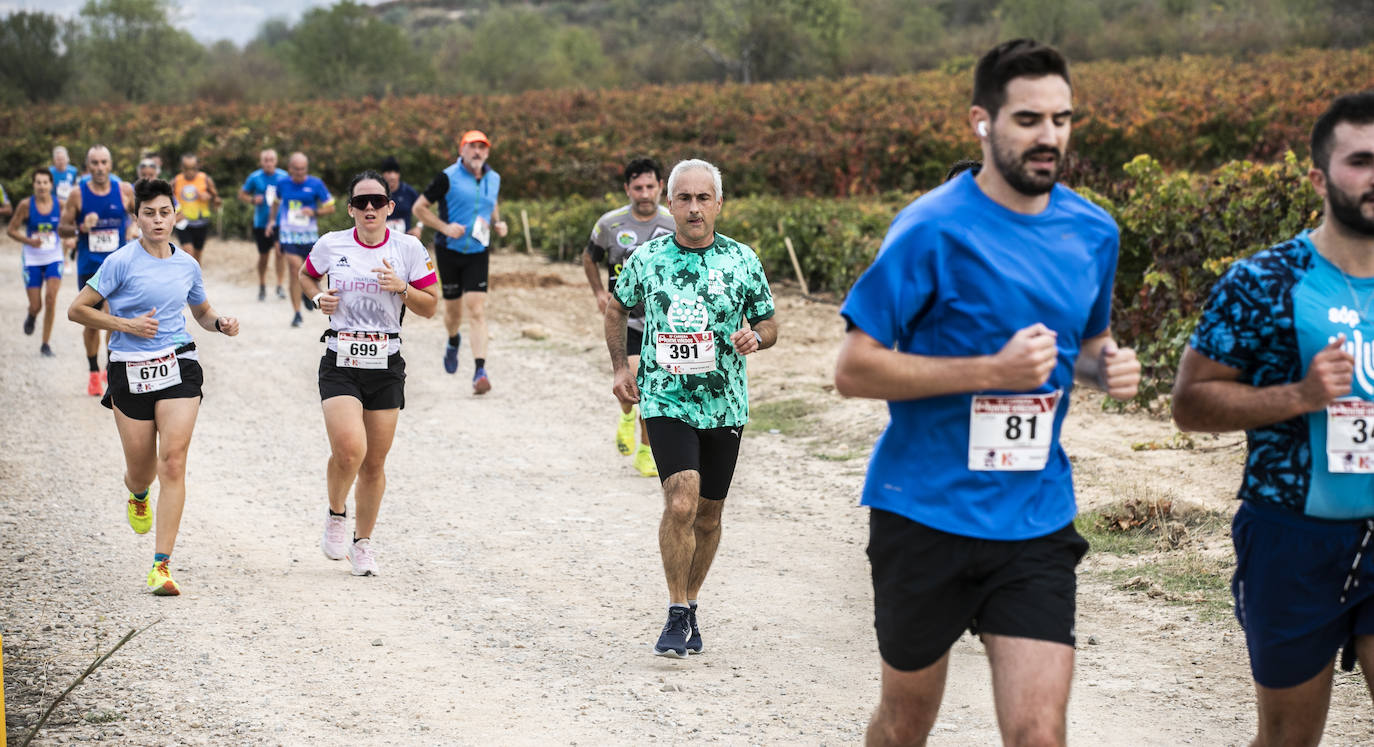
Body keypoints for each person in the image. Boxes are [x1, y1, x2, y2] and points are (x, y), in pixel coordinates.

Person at [832, 39, 1141, 746]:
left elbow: (1087, 347)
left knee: (1038, 732)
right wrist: (989, 371)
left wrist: (1107, 367)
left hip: (1034, 515)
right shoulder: (930, 227)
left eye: (1062, 120)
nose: (1050, 137)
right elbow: (854, 368)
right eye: (1029, 119)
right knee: (906, 722)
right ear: (982, 120)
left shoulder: (1094, 231)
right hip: (925, 513)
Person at [1172, 91, 1374, 746]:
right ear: (1319, 177)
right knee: (1289, 739)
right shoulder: (1261, 280)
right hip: (1291, 537)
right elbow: (1190, 403)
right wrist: (1299, 395)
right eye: (1361, 161)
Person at [605, 158, 778, 658]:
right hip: (666, 398)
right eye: (684, 198)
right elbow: (617, 308)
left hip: (725, 405)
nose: (694, 208)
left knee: (709, 514)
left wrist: (756, 338)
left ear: (719, 203)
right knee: (681, 501)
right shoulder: (648, 257)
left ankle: (694, 603)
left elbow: (769, 323)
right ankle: (676, 611)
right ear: (670, 203)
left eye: (704, 198)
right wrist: (621, 367)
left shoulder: (742, 260)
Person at [67, 177, 239, 596]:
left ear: (175, 214)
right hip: (130, 367)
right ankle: (138, 492)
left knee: (174, 462)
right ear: (137, 218)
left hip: (178, 363)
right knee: (142, 470)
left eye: (165, 212)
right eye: (149, 213)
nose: (158, 220)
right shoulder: (120, 262)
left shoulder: (187, 264)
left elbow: (200, 311)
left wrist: (220, 323)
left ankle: (161, 566)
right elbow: (77, 310)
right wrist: (126, 325)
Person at [299, 171, 439, 576]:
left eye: (378, 201)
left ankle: (363, 543)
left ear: (390, 207)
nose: (370, 208)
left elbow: (430, 306)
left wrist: (401, 288)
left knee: (374, 463)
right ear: (351, 209)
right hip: (341, 356)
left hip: (386, 362)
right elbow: (307, 274)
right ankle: (336, 513)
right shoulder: (331, 244)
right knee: (349, 449)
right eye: (361, 202)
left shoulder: (408, 248)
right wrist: (316, 297)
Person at [584, 157, 676, 477]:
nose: (645, 193)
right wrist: (598, 292)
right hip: (626, 319)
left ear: (661, 187)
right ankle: (627, 416)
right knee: (638, 383)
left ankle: (646, 451)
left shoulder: (673, 224)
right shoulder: (610, 224)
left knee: (655, 391)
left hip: (662, 321)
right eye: (638, 187)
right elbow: (589, 257)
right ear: (627, 189)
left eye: (651, 186)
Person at [412, 130, 508, 394]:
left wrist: (497, 222)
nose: (477, 152)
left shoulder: (494, 178)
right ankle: (453, 340)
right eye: (472, 147)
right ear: (462, 149)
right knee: (453, 313)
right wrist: (443, 227)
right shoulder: (447, 177)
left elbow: (492, 203)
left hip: (478, 250)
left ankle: (480, 371)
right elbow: (419, 208)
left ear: (487, 152)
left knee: (476, 309)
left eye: (482, 147)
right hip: (449, 251)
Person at [59, 145, 136, 396]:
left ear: (110, 165)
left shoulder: (123, 190)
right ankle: (93, 372)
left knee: (115, 320)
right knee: (91, 323)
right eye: (95, 163)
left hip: (120, 267)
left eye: (104, 162)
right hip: (91, 269)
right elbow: (62, 229)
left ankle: (109, 369)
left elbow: (143, 214)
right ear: (87, 166)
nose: (100, 168)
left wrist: (135, 227)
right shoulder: (77, 195)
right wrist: (81, 227)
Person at [267, 152, 335, 327]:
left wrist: (315, 212)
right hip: (288, 234)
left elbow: (331, 207)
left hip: (309, 236)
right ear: (290, 169)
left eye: (303, 169)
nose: (300, 172)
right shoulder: (282, 184)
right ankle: (297, 313)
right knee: (294, 268)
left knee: (311, 272)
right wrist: (272, 221)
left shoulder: (316, 184)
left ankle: (307, 293)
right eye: (296, 169)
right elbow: (275, 203)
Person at [7, 170, 64, 356]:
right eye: (38, 182)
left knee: (51, 299)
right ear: (34, 185)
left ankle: (45, 344)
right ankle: (32, 315)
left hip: (54, 257)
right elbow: (11, 230)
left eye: (45, 182)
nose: (41, 186)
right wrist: (29, 241)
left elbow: (68, 227)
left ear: (51, 185)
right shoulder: (25, 205)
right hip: (32, 258)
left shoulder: (60, 204)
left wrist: (71, 238)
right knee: (36, 305)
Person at [239, 149, 288, 301]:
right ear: (261, 162)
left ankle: (280, 286)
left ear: (276, 161)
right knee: (264, 256)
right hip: (261, 222)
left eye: (271, 160)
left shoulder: (284, 176)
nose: (268, 163)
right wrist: (253, 200)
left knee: (280, 254)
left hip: (281, 222)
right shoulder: (255, 177)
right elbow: (242, 194)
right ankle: (262, 285)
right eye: (265, 160)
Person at [172, 153, 220, 263]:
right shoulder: (176, 181)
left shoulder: (205, 179)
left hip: (201, 222)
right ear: (181, 167)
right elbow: (167, 198)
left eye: (193, 168)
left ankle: (196, 277)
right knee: (188, 252)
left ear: (197, 167)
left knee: (197, 255)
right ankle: (188, 277)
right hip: (183, 222)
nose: (190, 171)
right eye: (186, 168)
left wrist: (209, 197)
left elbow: (216, 199)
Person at [379, 156, 422, 239]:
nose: (392, 176)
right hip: (381, 240)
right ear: (383, 174)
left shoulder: (408, 191)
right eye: (389, 172)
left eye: (395, 172)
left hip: (404, 240)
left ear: (399, 174)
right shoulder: (376, 192)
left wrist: (418, 227)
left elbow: (423, 210)